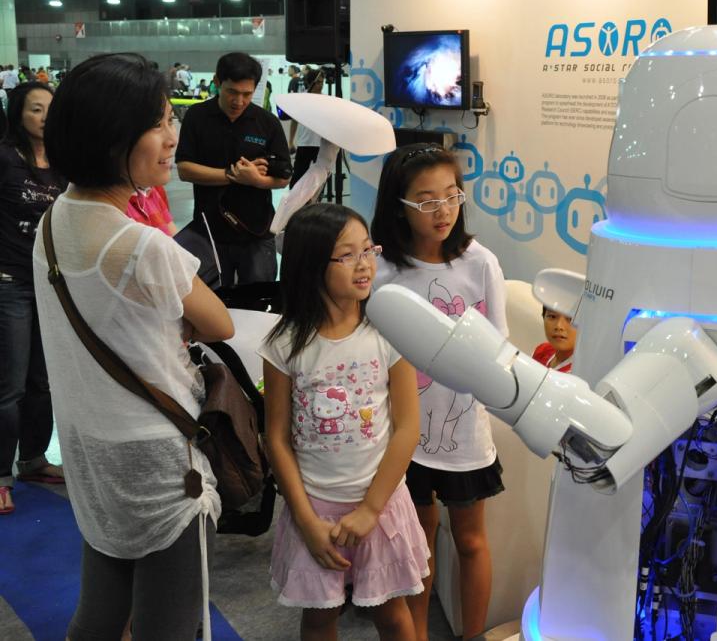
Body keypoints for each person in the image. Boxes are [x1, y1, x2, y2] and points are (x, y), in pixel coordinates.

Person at [36, 52, 234, 640]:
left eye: (171, 119)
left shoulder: (52, 222)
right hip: (157, 460)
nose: (172, 137)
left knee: (100, 605)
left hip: (87, 446)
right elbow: (218, 322)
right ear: (112, 135)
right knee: (168, 623)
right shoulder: (144, 248)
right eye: (158, 123)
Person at [260, 203, 428, 640]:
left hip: (381, 504)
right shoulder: (284, 344)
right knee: (319, 616)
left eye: (368, 249)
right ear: (312, 264)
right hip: (313, 507)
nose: (365, 264)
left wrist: (372, 508)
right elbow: (276, 437)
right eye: (348, 254)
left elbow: (408, 427)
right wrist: (304, 518)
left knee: (392, 613)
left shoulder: (389, 331)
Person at [371, 143, 508, 641]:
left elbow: (499, 348)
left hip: (465, 431)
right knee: (417, 545)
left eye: (452, 196)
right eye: (427, 200)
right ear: (399, 205)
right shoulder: (383, 270)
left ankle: (473, 636)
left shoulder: (480, 263)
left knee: (471, 541)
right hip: (402, 434)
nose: (443, 210)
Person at [0, 82, 67, 515]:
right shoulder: (5, 158)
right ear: (18, 115)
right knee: (9, 385)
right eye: (35, 109)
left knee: (43, 381)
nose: (44, 117)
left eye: (50, 109)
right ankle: (1, 476)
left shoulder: (64, 163)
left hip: (50, 282)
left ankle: (34, 459)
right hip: (10, 282)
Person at [176, 52, 291, 288]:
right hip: (209, 231)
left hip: (257, 232)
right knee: (214, 304)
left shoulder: (267, 122)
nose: (239, 101)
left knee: (259, 301)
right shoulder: (197, 117)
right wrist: (234, 176)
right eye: (232, 92)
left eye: (247, 94)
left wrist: (256, 181)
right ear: (217, 82)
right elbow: (185, 169)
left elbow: (283, 178)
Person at [288, 69, 325, 188]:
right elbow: (295, 121)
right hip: (304, 144)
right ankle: (293, 204)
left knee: (319, 179)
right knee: (297, 177)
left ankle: (315, 202)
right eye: (318, 82)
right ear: (311, 82)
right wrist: (290, 141)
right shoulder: (302, 98)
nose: (321, 85)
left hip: (321, 145)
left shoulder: (326, 100)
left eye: (322, 82)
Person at [532, 307, 576, 373]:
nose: (559, 326)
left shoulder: (579, 376)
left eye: (571, 319)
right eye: (552, 316)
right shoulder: (542, 350)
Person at [286, 64, 305, 152]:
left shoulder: (294, 80)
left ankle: (291, 143)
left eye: (290, 69)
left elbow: (292, 94)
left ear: (294, 70)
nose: (288, 71)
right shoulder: (299, 80)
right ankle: (291, 144)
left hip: (295, 106)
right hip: (299, 105)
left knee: (294, 123)